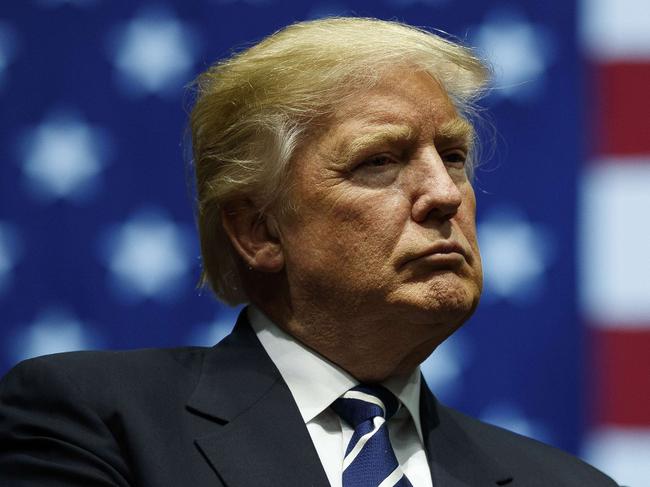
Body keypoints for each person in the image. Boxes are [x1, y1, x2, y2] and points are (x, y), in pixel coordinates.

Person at [0, 17, 617, 487]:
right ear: (259, 232)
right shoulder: (97, 423)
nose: (443, 194)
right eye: (380, 161)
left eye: (453, 157)